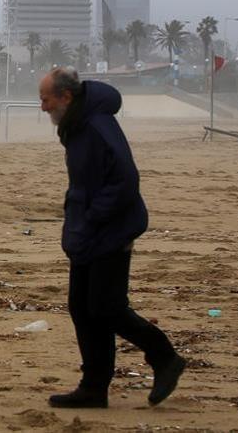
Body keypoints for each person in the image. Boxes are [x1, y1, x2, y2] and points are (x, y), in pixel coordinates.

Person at [38, 66, 186, 408]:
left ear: (66, 97)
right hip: (87, 231)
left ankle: (164, 356)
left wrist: (91, 218)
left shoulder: (96, 125)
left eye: (46, 99)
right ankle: (93, 387)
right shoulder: (75, 125)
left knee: (106, 307)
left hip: (112, 230)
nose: (43, 107)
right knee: (82, 307)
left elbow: (125, 180)